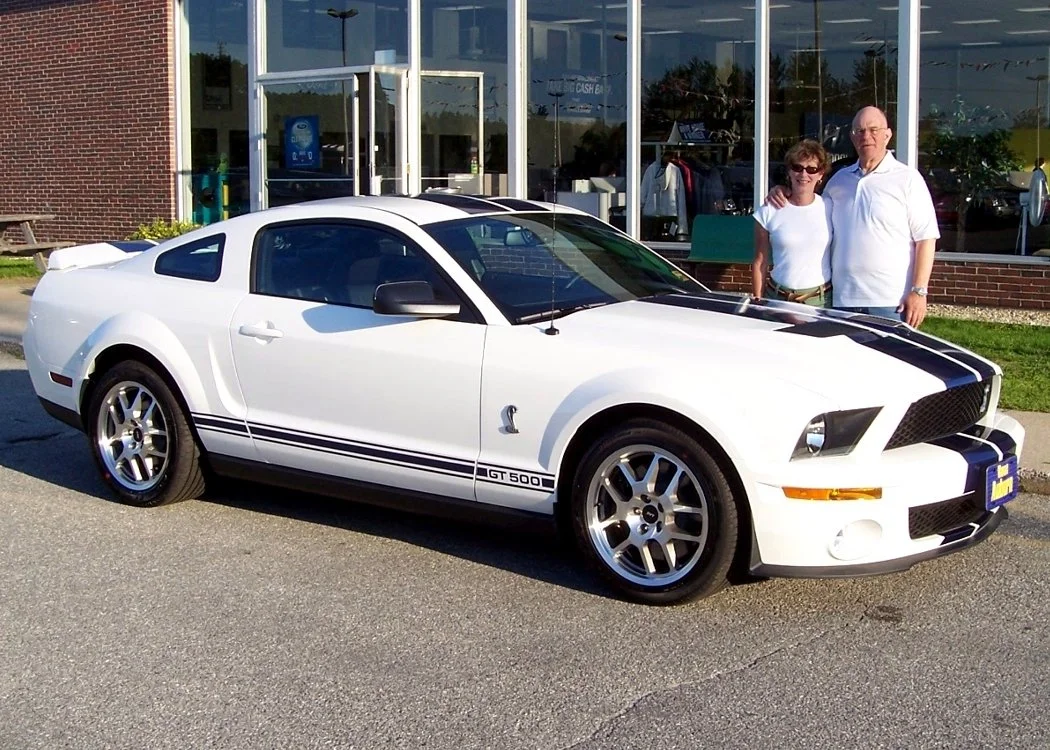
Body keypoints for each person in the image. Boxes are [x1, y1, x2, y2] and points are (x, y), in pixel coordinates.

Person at [768, 106, 940, 327]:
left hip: (891, 303)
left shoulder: (907, 180)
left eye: (873, 130)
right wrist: (784, 190)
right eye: (859, 131)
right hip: (842, 300)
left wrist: (919, 291)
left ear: (887, 135)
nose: (866, 136)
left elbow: (926, 239)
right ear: (852, 137)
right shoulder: (839, 181)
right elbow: (808, 206)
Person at [751, 139, 832, 306]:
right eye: (797, 168)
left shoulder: (830, 207)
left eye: (811, 169)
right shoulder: (768, 210)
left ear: (820, 174)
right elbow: (760, 261)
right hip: (776, 297)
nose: (804, 175)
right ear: (789, 171)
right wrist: (757, 300)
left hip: (820, 300)